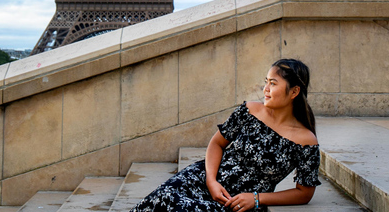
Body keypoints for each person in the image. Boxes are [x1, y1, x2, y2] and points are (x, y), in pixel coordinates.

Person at [130, 59, 321, 212]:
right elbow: (217, 143)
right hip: (205, 177)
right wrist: (211, 181)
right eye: (266, 82)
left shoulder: (305, 141)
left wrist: (256, 198)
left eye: (273, 83)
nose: (266, 89)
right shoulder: (249, 110)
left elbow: (304, 193)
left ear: (294, 91)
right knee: (165, 196)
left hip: (237, 200)